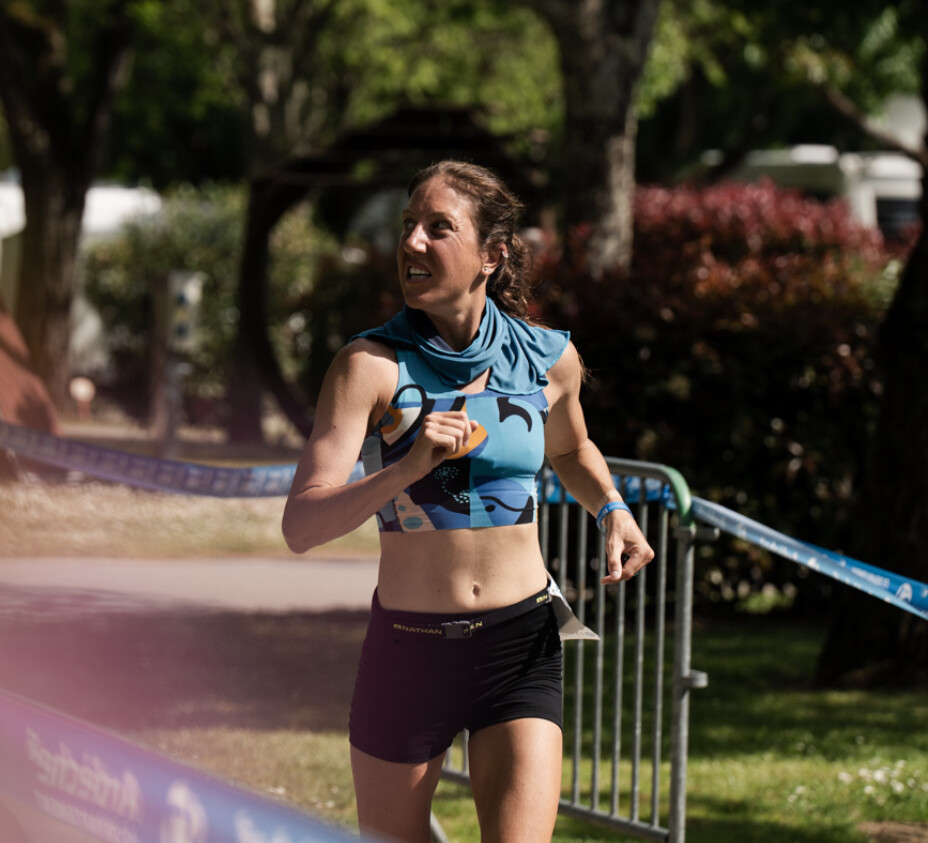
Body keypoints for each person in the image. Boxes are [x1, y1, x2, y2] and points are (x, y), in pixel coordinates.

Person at [282, 160, 654, 843]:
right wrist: (407, 467)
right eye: (408, 225)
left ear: (492, 254)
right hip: (410, 651)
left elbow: (572, 450)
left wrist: (613, 509)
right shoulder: (370, 366)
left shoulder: (547, 359)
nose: (412, 242)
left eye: (438, 227)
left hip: (519, 643)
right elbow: (301, 524)